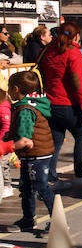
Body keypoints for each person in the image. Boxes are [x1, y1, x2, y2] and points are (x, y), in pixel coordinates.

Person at [38, 21, 82, 190]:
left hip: (50, 103)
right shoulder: (73, 53)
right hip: (69, 104)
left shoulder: (48, 50)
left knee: (56, 141)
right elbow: (78, 82)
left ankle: (51, 177)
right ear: (76, 36)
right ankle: (80, 174)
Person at [5, 71, 55, 233]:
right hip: (34, 153)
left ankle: (57, 219)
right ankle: (28, 218)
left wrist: (9, 145)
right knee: (26, 187)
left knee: (41, 187)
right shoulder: (33, 104)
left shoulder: (25, 110)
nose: (8, 92)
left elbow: (24, 137)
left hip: (36, 154)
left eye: (9, 88)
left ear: (16, 89)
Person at [0, 72, 12, 199]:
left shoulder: (3, 107)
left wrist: (2, 140)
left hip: (5, 141)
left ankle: (7, 185)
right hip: (3, 140)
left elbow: (6, 124)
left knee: (3, 163)